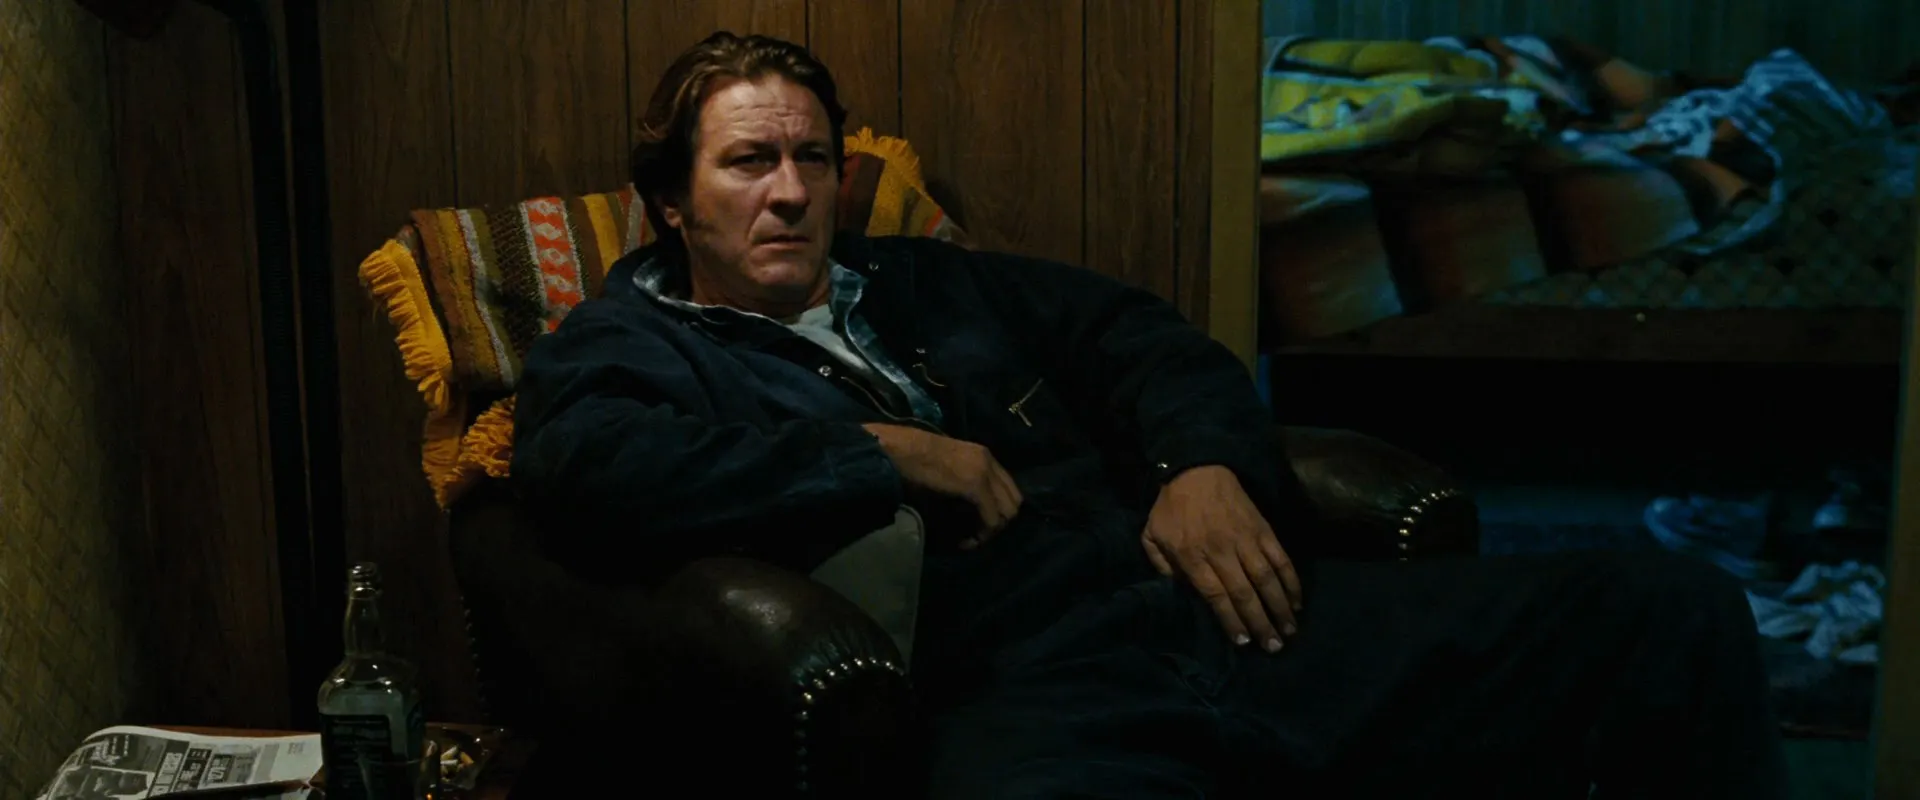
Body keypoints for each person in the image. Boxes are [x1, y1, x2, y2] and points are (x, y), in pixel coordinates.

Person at [509, 31, 1789, 799]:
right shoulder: (632, 340)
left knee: (1669, 606)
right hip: (1019, 692)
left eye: (811, 160)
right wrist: (875, 450)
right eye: (748, 162)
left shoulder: (929, 280)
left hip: (1215, 619)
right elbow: (583, 466)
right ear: (673, 201)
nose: (791, 192)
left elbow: (1144, 339)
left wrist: (1200, 466)